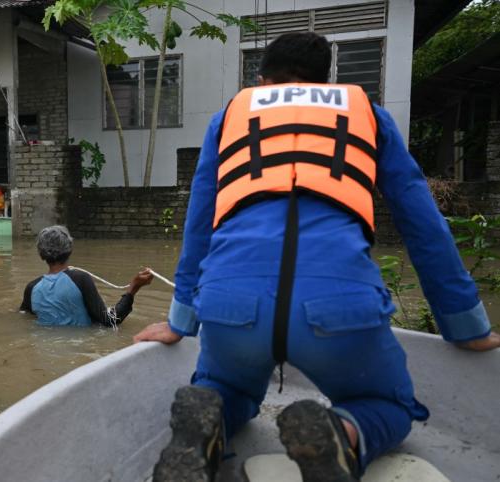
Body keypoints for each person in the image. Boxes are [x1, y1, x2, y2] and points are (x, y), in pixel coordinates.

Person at [134, 32, 500, 482]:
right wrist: (466, 325)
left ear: (261, 79)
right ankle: (342, 431)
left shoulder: (229, 118)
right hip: (340, 307)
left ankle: (205, 429)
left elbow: (199, 225)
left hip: (231, 304)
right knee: (389, 407)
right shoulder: (369, 115)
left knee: (223, 389)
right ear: (324, 81)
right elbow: (425, 227)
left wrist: (180, 321)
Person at [20, 225, 153, 327]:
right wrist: (134, 287)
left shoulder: (31, 288)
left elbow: (24, 317)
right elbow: (110, 321)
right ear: (70, 249)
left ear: (40, 254)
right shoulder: (80, 279)